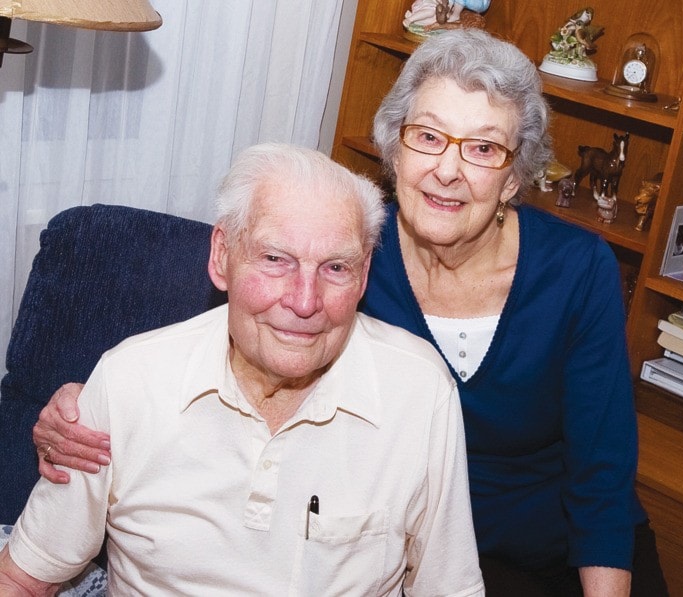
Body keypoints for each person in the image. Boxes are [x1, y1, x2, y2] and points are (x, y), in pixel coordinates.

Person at [32, 29, 668, 596]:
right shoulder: (344, 256)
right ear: (393, 151)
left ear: (512, 177)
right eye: (427, 137)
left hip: (553, 551)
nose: (447, 169)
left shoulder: (577, 268)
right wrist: (87, 406)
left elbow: (602, 473)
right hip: (393, 541)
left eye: (482, 149)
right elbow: (226, 319)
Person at [0, 143, 485, 595]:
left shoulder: (420, 392)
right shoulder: (130, 380)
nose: (304, 301)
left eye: (336, 267)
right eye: (276, 259)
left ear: (362, 278)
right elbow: (25, 578)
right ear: (222, 256)